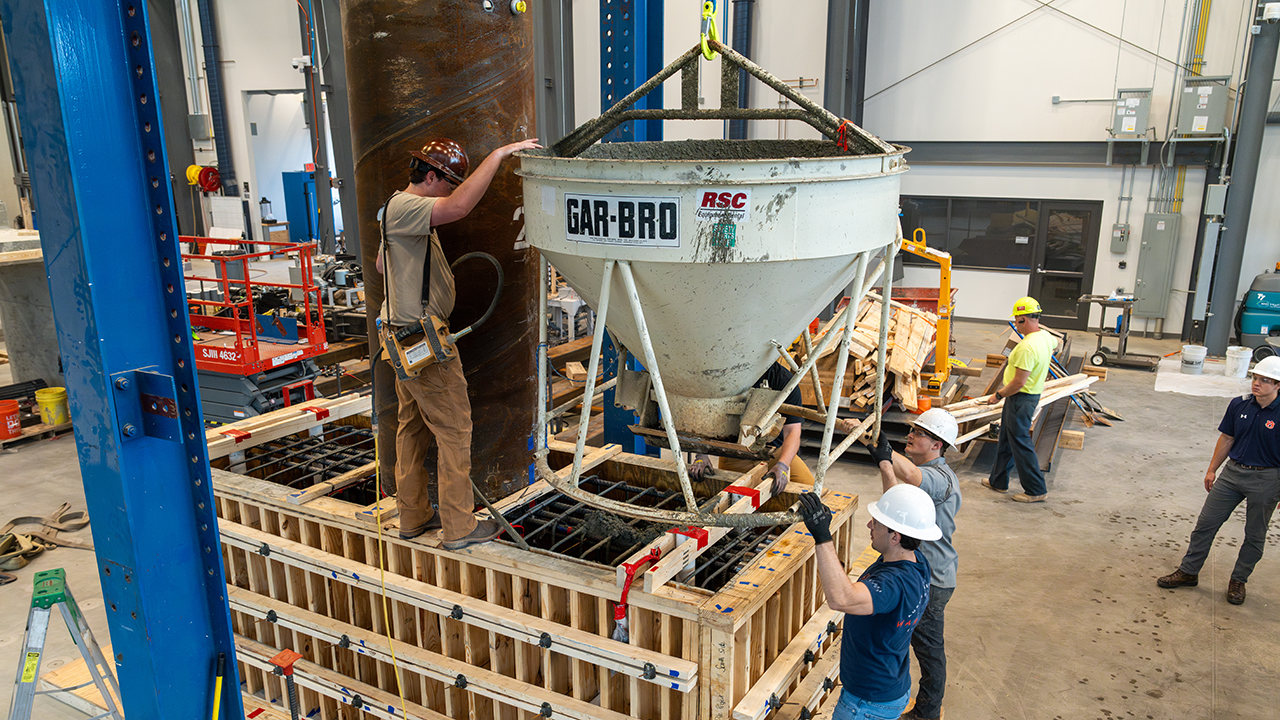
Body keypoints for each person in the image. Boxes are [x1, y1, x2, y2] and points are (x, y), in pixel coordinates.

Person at [379, 136, 541, 550]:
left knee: (412, 426)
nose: (450, 191)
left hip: (400, 339)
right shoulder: (408, 207)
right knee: (455, 429)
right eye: (448, 182)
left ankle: (413, 516)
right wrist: (499, 154)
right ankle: (459, 526)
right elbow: (460, 206)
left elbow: (382, 264)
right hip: (422, 342)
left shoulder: (396, 212)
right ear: (431, 176)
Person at [798, 484, 937, 720]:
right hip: (890, 686)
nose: (869, 525)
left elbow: (841, 598)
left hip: (867, 704)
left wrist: (822, 536)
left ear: (895, 537)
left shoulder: (893, 584)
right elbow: (902, 513)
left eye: (877, 523)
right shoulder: (916, 561)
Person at [1156, 355, 1280, 606]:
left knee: (1254, 535)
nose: (1256, 384)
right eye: (1255, 378)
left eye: (1264, 380)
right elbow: (1227, 439)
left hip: (1266, 479)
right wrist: (1212, 469)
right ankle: (1189, 571)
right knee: (1206, 524)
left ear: (1278, 385)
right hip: (1232, 474)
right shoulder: (1239, 405)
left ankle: (1239, 580)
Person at [865, 410, 960, 720]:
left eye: (919, 433)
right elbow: (895, 503)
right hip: (918, 571)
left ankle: (928, 713)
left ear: (937, 445)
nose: (911, 435)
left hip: (933, 579)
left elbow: (910, 477)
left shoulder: (940, 479)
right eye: (912, 430)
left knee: (929, 650)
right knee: (903, 639)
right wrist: (882, 459)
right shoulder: (926, 473)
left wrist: (886, 452)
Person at [689, 362, 812, 494]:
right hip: (735, 453)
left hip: (775, 453)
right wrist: (702, 455)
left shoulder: (784, 380)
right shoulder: (725, 374)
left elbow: (792, 431)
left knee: (811, 491)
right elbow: (708, 417)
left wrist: (783, 465)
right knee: (730, 499)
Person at [981, 296, 1057, 503]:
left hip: (1021, 398)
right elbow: (1055, 345)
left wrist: (997, 395)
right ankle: (998, 481)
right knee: (1006, 437)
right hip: (1028, 396)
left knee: (1021, 443)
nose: (1015, 324)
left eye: (1017, 320)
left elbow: (1018, 383)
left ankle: (1036, 489)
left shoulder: (1026, 348)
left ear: (1024, 319)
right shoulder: (1046, 337)